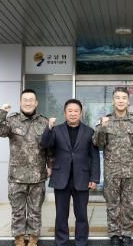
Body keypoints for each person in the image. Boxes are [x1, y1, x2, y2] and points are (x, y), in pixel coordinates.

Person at [0, 88, 50, 246]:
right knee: (17, 211)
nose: (28, 102)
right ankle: (18, 239)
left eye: (31, 100)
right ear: (20, 102)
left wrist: (50, 165)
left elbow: (49, 147)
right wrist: (2, 112)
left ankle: (33, 238)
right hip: (17, 177)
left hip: (38, 176)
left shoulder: (44, 122)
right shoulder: (12, 120)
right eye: (25, 100)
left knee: (35, 210)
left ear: (36, 103)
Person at [40, 99, 100, 246]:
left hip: (82, 178)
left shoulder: (89, 131)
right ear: (65, 113)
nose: (73, 113)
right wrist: (49, 127)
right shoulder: (56, 130)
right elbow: (45, 144)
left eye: (76, 111)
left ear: (81, 113)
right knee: (61, 214)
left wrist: (94, 178)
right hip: (61, 178)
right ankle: (61, 241)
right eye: (70, 111)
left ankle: (81, 241)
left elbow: (94, 157)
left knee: (82, 214)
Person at [93, 87, 133, 246]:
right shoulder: (105, 120)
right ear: (113, 101)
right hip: (112, 171)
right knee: (112, 204)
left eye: (124, 98)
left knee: (129, 204)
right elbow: (97, 143)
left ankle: (127, 233)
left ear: (128, 101)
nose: (121, 100)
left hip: (131, 170)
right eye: (117, 97)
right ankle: (114, 233)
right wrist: (102, 128)